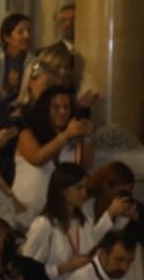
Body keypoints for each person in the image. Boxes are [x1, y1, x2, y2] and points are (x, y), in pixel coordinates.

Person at [12, 86, 91, 225]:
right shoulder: (28, 133)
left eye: (67, 107)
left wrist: (87, 136)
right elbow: (37, 158)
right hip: (24, 211)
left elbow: (81, 170)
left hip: (55, 217)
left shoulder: (71, 138)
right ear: (45, 109)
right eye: (56, 107)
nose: (63, 111)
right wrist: (66, 135)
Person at [22, 163, 99, 280]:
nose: (84, 193)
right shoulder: (44, 225)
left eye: (86, 188)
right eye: (79, 188)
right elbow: (28, 271)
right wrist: (65, 267)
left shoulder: (85, 221)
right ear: (64, 191)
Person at [0, 12, 33, 101]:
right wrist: (8, 86)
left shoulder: (35, 62)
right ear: (7, 37)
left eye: (29, 31)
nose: (27, 36)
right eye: (20, 32)